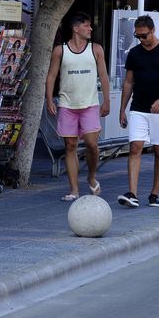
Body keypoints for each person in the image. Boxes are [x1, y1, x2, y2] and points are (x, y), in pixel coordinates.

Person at [45, 12, 111, 202]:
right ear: (76, 28)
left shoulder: (96, 49)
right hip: (67, 104)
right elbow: (51, 76)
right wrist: (50, 99)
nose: (91, 28)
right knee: (70, 145)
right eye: (87, 25)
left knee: (92, 144)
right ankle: (74, 189)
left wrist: (106, 100)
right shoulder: (60, 50)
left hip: (90, 104)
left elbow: (104, 76)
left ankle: (91, 176)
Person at [117, 15, 159, 209]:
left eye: (144, 36)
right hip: (139, 107)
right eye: (138, 36)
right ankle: (132, 193)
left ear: (152, 31)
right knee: (135, 147)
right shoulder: (134, 53)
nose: (141, 40)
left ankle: (154, 193)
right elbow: (128, 82)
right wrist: (122, 109)